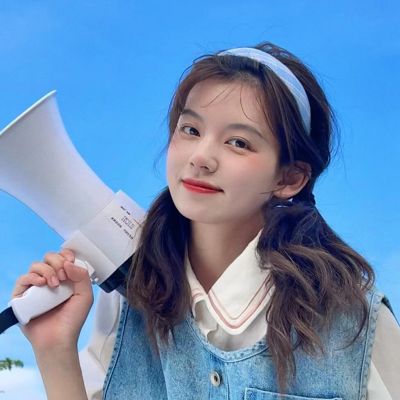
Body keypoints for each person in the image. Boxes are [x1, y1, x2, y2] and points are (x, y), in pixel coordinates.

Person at [12, 42, 399, 399]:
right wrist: (54, 351)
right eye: (191, 130)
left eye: (238, 142)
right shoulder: (125, 305)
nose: (200, 157)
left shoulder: (355, 320)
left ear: (289, 178)